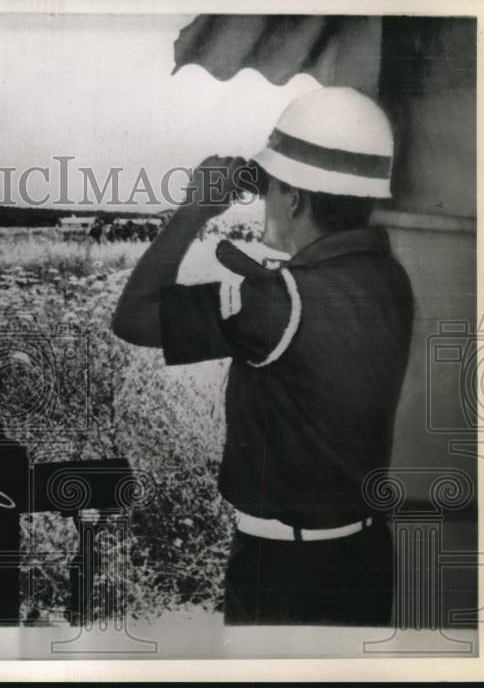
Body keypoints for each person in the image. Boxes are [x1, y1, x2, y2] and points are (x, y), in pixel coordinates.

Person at [111, 87, 413, 626]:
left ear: (294, 198)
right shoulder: (388, 278)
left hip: (285, 573)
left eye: (271, 188)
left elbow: (132, 317)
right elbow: (313, 303)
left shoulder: (278, 303)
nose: (265, 198)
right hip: (365, 558)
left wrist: (195, 210)